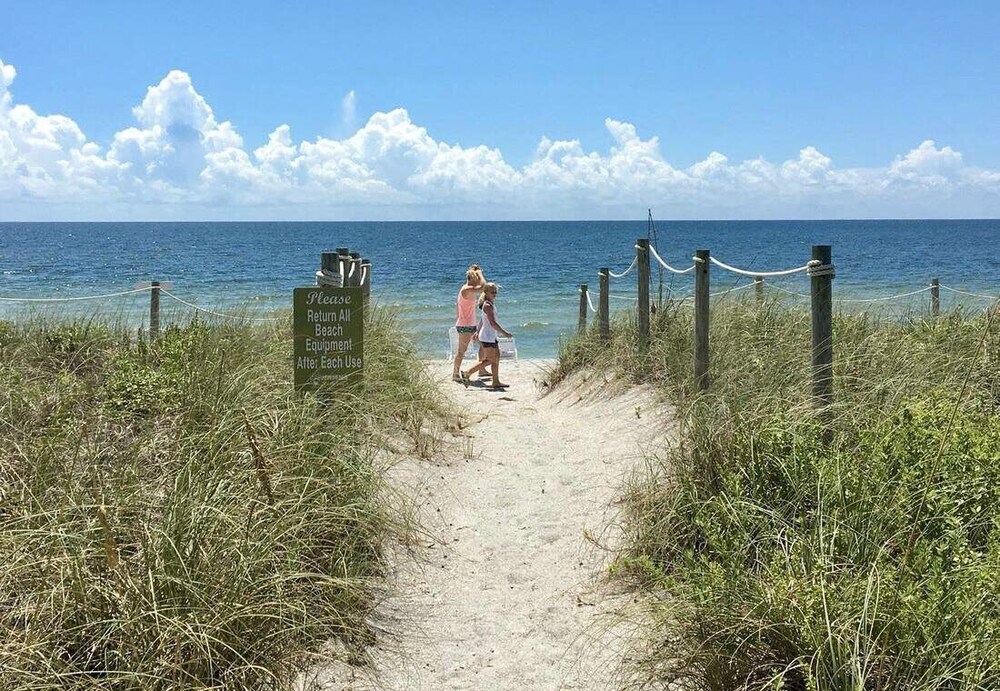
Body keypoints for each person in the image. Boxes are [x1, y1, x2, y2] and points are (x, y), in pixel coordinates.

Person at [462, 282, 512, 390]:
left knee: (496, 358)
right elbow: (492, 323)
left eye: (495, 292)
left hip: (490, 336)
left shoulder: (489, 303)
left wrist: (477, 331)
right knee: (491, 360)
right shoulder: (488, 305)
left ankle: (496, 381)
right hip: (487, 337)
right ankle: (467, 372)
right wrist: (505, 333)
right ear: (486, 292)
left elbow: (482, 320)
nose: (494, 294)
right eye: (492, 292)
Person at [453, 265, 485, 381]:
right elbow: (483, 286)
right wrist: (480, 274)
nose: (478, 281)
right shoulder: (466, 289)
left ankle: (482, 370)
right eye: (477, 278)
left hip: (470, 324)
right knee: (462, 351)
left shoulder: (469, 289)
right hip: (465, 325)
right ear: (472, 278)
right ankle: (455, 374)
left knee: (484, 345)